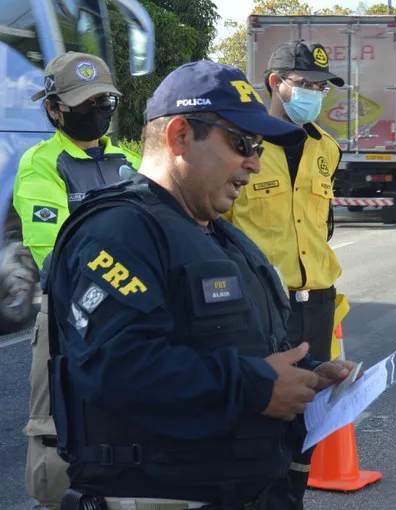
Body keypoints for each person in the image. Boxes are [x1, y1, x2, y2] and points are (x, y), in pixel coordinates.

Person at [44, 60, 358, 510]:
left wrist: (305, 383)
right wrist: (256, 387)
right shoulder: (118, 232)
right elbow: (117, 368)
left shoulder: (224, 237)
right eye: (242, 143)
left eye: (258, 145)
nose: (254, 161)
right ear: (179, 136)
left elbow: (238, 353)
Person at [13, 51, 140, 510]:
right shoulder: (42, 164)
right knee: (60, 436)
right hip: (72, 316)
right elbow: (57, 254)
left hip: (133, 315)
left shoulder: (130, 160)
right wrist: (132, 278)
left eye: (103, 100)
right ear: (53, 109)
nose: (97, 111)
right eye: (83, 104)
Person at [221, 39, 344, 505]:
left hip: (317, 301)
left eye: (321, 86)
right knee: (262, 413)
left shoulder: (325, 148)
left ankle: (293, 496)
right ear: (276, 83)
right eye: (306, 84)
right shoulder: (240, 147)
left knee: (308, 419)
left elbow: (318, 227)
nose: (316, 92)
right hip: (260, 304)